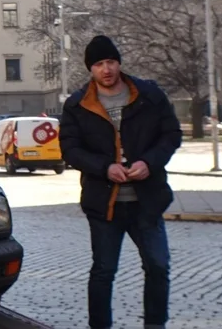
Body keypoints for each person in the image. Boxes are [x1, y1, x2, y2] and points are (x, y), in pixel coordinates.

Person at [59, 35, 181, 329]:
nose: (106, 69)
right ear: (91, 69)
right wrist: (104, 168)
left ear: (119, 63)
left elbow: (171, 134)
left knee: (158, 266)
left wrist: (149, 163)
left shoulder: (149, 95)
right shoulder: (77, 105)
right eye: (99, 64)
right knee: (103, 270)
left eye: (111, 62)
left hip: (146, 201)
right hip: (104, 203)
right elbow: (70, 149)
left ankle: (155, 324)